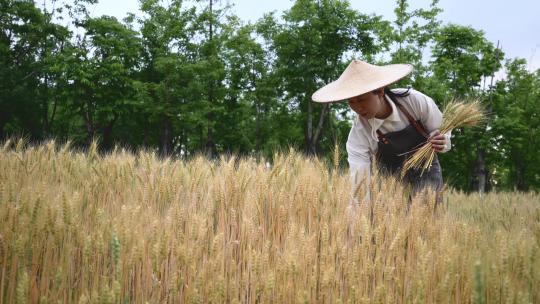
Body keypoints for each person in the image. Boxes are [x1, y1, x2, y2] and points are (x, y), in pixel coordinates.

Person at [311, 59, 451, 207]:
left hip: (426, 169)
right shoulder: (358, 135)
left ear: (380, 91)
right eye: (351, 102)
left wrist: (442, 141)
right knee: (390, 222)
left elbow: (443, 129)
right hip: (388, 179)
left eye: (361, 99)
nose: (357, 107)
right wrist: (356, 220)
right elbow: (360, 183)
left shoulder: (414, 101)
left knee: (425, 217)